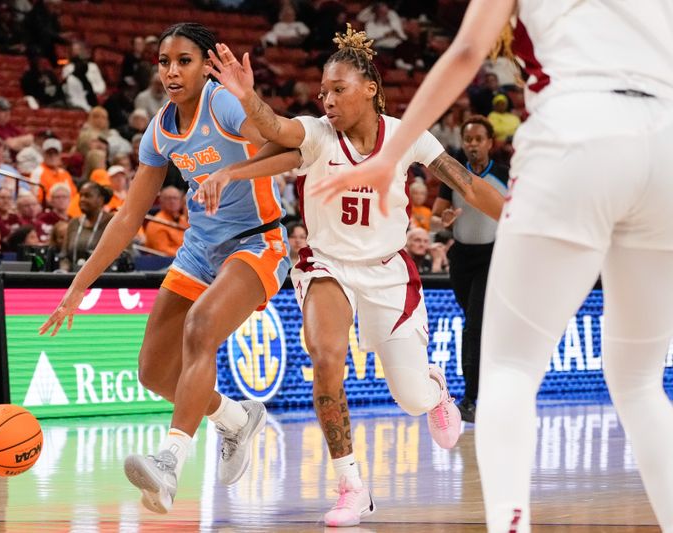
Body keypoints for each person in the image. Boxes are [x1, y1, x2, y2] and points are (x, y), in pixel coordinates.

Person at [311, 2, 673, 531]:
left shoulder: (401, 135)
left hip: (579, 134)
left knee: (509, 370)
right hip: (665, 142)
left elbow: (465, 51)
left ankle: (508, 521)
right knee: (640, 381)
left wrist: (389, 155)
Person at [198, 28, 503, 526]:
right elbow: (274, 126)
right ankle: (351, 485)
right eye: (323, 92)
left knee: (410, 399)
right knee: (326, 356)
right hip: (327, 265)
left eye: (338, 89)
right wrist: (246, 96)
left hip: (387, 271)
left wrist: (519, 221)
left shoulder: (408, 137)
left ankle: (434, 390)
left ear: (369, 89)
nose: (328, 99)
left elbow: (468, 185)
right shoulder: (318, 134)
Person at [39, 22, 290, 516]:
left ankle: (170, 461)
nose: (172, 71)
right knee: (154, 371)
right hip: (200, 248)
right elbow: (127, 218)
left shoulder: (223, 104)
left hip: (257, 242)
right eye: (164, 62)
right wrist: (76, 288)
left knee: (200, 328)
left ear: (205, 66)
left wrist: (248, 112)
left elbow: (282, 146)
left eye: (184, 61)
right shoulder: (159, 131)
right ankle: (236, 418)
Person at [432, 115, 508, 423]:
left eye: (479, 139)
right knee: (476, 326)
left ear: (490, 142)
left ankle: (472, 399)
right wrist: (444, 219)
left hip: (493, 257)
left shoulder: (504, 174)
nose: (473, 144)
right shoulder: (452, 174)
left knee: (473, 327)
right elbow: (435, 217)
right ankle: (488, 390)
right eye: (468, 139)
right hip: (461, 258)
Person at [59, 181, 113, 271]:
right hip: (73, 278)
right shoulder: (73, 223)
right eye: (81, 196)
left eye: (87, 196)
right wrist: (64, 272)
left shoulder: (112, 222)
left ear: (101, 199)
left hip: (104, 279)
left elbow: (121, 256)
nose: (82, 199)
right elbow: (64, 256)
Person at [145, 186, 188, 257]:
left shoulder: (183, 220)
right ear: (161, 201)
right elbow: (163, 251)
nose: (172, 201)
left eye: (175, 198)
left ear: (180, 201)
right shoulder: (157, 223)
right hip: (166, 262)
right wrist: (187, 255)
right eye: (168, 198)